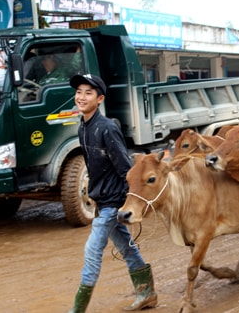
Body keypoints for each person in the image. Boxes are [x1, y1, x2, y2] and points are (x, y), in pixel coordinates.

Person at [68, 74, 157, 312]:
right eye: (79, 91)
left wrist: (128, 204)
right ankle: (147, 293)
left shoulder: (107, 128)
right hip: (102, 200)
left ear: (100, 99)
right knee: (127, 248)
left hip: (113, 201)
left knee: (92, 249)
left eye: (88, 92)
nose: (81, 96)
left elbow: (126, 169)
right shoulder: (83, 127)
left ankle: (78, 308)